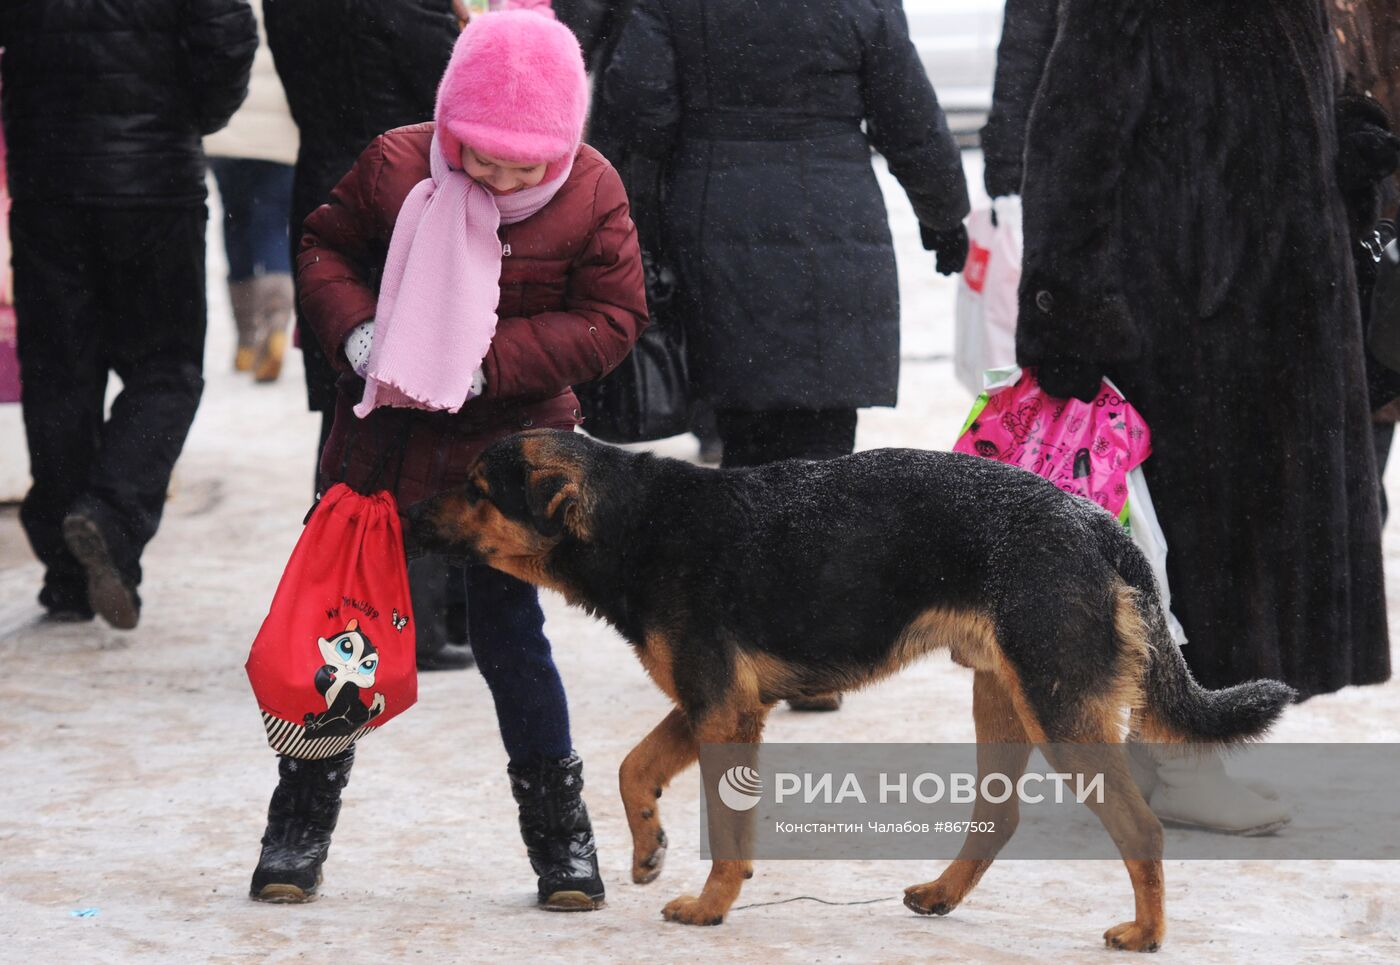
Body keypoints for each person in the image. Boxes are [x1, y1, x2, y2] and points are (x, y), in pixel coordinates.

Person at [249, 9, 648, 910]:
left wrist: (485, 365)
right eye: (481, 154)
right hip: (382, 444)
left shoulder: (590, 188)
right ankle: (297, 825)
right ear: (450, 124)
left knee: (513, 643)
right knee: (338, 641)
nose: (503, 175)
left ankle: (561, 842)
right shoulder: (395, 163)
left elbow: (614, 317)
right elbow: (323, 245)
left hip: (510, 461)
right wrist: (356, 333)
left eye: (526, 161)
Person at [1015, 0, 1396, 825]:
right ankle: (1185, 755)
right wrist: (1065, 306)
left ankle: (1177, 751)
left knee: (1250, 537)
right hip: (1189, 312)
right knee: (1203, 545)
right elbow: (1074, 140)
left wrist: (1347, 150)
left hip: (1277, 308)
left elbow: (1276, 119)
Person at [605, 0, 970, 710]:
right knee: (828, 458)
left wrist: (636, 223)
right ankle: (818, 658)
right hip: (833, 223)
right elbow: (907, 110)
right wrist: (943, 209)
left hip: (718, 216)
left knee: (746, 455)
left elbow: (639, 110)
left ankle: (746, 644)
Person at [0, 0, 257, 629]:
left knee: (62, 375)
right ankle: (109, 520)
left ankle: (69, 576)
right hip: (153, 185)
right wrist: (188, 118)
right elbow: (228, 40)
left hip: (47, 184)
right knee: (166, 370)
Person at [263, 0, 475, 670]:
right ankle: (416, 611)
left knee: (348, 405)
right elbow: (453, 105)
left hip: (327, 193)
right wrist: (468, 40)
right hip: (403, 204)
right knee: (421, 400)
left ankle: (342, 596)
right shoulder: (409, 10)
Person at [206, 0, 300, 383]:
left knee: (235, 224)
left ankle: (246, 339)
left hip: (228, 129)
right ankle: (275, 327)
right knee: (272, 225)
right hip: (279, 134)